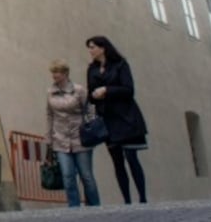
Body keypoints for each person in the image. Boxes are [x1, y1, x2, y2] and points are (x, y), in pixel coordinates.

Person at [85, 36, 149, 204]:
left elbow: (129, 90)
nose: (90, 50)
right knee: (117, 161)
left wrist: (107, 90)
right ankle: (126, 200)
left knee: (131, 157)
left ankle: (142, 197)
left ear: (102, 48)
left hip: (125, 117)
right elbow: (91, 93)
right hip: (107, 119)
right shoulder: (92, 69)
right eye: (89, 47)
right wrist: (94, 95)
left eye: (92, 47)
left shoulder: (120, 65)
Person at [46, 59, 101, 207]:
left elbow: (90, 109)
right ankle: (74, 209)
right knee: (68, 176)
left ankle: (95, 207)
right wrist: (49, 137)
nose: (54, 75)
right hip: (60, 138)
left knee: (86, 176)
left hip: (80, 137)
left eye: (57, 72)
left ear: (65, 73)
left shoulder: (79, 90)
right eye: (53, 72)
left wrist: (92, 127)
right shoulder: (50, 92)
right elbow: (50, 114)